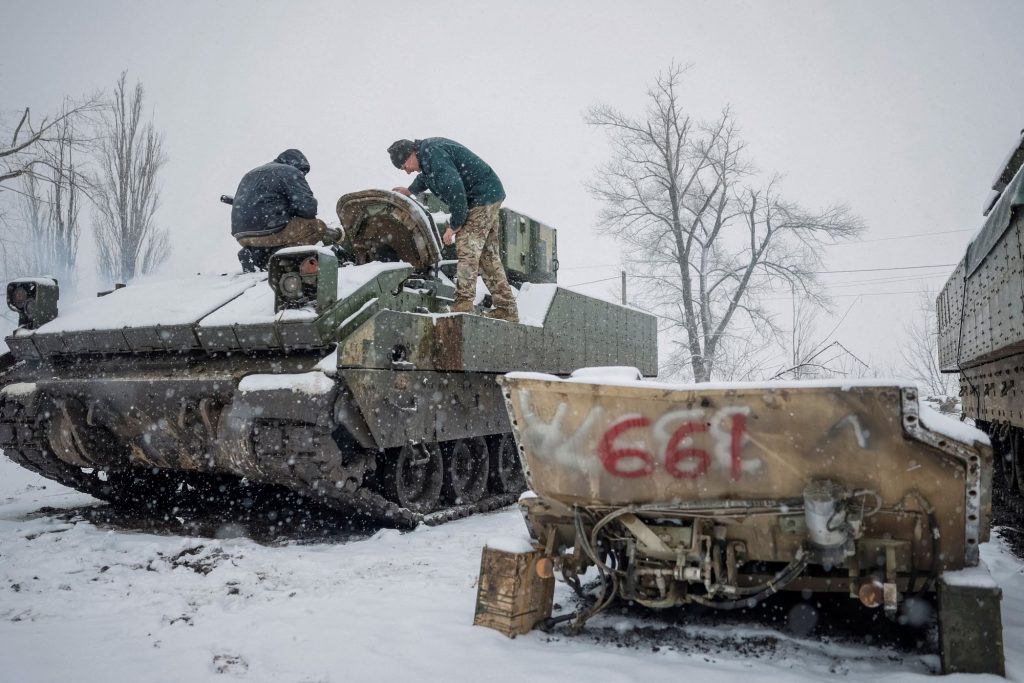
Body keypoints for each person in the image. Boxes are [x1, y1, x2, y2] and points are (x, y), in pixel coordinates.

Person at [388, 138, 519, 323]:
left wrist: (454, 226)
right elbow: (427, 177)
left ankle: (463, 305)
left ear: (410, 154)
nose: (407, 171)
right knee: (487, 256)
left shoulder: (434, 155)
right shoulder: (428, 156)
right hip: (488, 194)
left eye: (404, 166)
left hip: (480, 198)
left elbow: (456, 191)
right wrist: (410, 191)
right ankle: (507, 309)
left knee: (467, 249)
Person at [231, 148, 341, 272]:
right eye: (302, 171)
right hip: (271, 232)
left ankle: (255, 255)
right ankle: (279, 255)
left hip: (242, 235)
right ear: (296, 163)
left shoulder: (250, 173)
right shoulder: (290, 171)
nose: (302, 174)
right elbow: (308, 208)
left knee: (279, 233)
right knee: (316, 226)